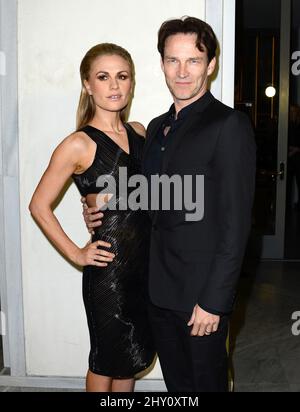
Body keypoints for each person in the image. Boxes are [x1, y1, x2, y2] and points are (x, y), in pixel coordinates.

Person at [83, 17, 256, 392]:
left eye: (193, 61)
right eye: (172, 60)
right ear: (161, 64)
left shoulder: (229, 125)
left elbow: (236, 224)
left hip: (201, 297)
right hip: (156, 290)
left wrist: (215, 300)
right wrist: (99, 203)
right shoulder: (157, 127)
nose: (181, 71)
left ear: (210, 65)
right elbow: (152, 197)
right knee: (178, 388)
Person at [29, 43, 155, 392]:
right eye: (103, 77)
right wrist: (76, 253)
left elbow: (150, 197)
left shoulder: (141, 133)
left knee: (130, 359)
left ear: (131, 83)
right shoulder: (78, 145)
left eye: (122, 76)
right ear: (87, 84)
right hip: (108, 275)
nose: (114, 86)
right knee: (105, 361)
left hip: (143, 269)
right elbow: (39, 205)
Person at [287, 104, 300, 210]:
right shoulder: (286, 125)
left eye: (294, 111)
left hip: (298, 159)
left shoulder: (298, 125)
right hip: (288, 159)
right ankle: (286, 206)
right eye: (290, 111)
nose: (292, 113)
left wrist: (296, 149)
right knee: (287, 184)